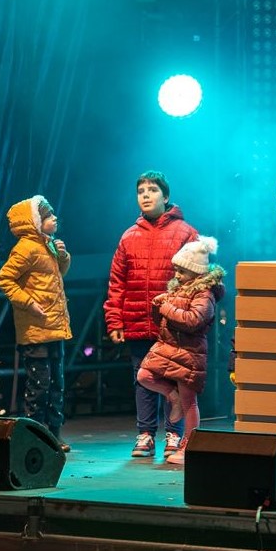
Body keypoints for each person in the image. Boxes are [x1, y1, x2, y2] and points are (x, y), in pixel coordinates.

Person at [105, 171, 199, 459]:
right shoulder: (128, 236)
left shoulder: (185, 233)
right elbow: (117, 282)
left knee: (173, 378)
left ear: (166, 196)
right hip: (137, 320)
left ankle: (174, 433)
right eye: (141, 191)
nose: (145, 195)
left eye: (152, 190)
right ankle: (145, 434)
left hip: (172, 324)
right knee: (142, 378)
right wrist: (115, 319)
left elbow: (200, 278)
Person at [137, 237, 225, 465]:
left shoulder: (205, 294)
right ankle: (171, 396)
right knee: (144, 375)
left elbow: (193, 320)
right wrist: (158, 306)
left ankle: (188, 446)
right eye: (176, 270)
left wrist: (166, 307)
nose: (176, 275)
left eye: (182, 271)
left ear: (196, 272)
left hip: (189, 351)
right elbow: (163, 321)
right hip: (168, 346)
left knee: (189, 402)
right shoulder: (179, 288)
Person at [0, 195, 72, 452]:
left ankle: (54, 433)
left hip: (55, 326)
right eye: (48, 216)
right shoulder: (25, 248)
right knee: (39, 386)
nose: (54, 219)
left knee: (57, 384)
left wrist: (63, 257)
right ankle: (36, 435)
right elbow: (4, 279)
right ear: (35, 222)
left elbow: (58, 275)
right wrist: (28, 302)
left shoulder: (47, 244)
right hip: (36, 329)